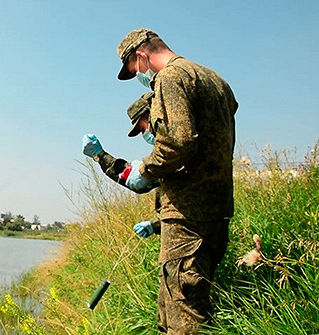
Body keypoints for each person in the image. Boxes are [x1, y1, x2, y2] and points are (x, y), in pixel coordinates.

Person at [116, 28, 238, 334]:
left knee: (184, 309)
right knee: (187, 297)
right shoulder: (215, 80)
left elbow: (178, 143)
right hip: (217, 208)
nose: (140, 76)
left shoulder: (171, 78)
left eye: (135, 70)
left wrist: (146, 170)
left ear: (141, 56)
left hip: (187, 211)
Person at [82, 92, 161, 238]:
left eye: (142, 127)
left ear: (153, 116)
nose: (144, 133)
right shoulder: (173, 151)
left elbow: (136, 179)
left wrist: (100, 155)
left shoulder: (174, 152)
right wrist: (154, 225)